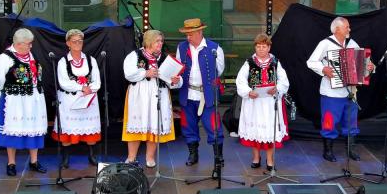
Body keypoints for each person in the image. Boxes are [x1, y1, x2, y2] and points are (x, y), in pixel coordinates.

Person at [307, 17, 375, 162]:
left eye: (349, 27)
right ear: (337, 29)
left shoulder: (352, 44)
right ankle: (328, 151)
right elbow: (311, 62)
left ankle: (351, 150)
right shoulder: (325, 43)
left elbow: (363, 64)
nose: (349, 29)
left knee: (351, 122)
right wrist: (323, 69)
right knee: (329, 121)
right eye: (346, 27)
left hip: (350, 91)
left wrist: (369, 67)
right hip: (331, 93)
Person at [0, 28, 48, 176]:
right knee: (12, 130)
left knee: (34, 128)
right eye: (28, 43)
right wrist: (5, 87)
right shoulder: (6, 58)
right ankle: (11, 163)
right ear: (19, 43)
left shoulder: (30, 55)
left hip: (33, 98)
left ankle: (34, 161)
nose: (31, 46)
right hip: (15, 100)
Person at [122, 29, 183, 167]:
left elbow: (174, 81)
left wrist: (176, 80)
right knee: (136, 126)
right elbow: (128, 74)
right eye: (157, 41)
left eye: (161, 41)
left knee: (154, 125)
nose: (160, 43)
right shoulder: (135, 55)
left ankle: (150, 157)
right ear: (148, 41)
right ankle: (131, 157)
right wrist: (146, 73)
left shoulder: (166, 59)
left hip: (159, 95)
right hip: (139, 95)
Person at [235, 33, 290, 171]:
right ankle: (256, 157)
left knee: (270, 130)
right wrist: (248, 92)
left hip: (270, 103)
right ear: (255, 47)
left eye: (264, 46)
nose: (261, 49)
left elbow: (284, 80)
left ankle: (270, 160)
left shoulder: (275, 62)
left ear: (269, 47)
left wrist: (277, 89)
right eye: (258, 46)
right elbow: (240, 80)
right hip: (254, 102)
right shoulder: (249, 62)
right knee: (255, 130)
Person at [176, 18, 225, 166]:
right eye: (186, 34)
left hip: (207, 95)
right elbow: (178, 69)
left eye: (190, 34)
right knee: (188, 126)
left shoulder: (215, 48)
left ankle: (218, 156)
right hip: (188, 93)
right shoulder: (181, 47)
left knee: (213, 126)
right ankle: (193, 154)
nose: (188, 37)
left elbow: (219, 70)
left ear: (199, 32)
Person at [51, 29, 101, 169]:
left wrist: (90, 89)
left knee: (90, 128)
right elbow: (63, 82)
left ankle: (92, 155)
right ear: (68, 43)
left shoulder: (91, 60)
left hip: (88, 100)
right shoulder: (63, 62)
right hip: (70, 100)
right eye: (74, 41)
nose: (78, 44)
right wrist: (81, 88)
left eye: (80, 41)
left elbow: (97, 81)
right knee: (68, 128)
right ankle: (66, 157)